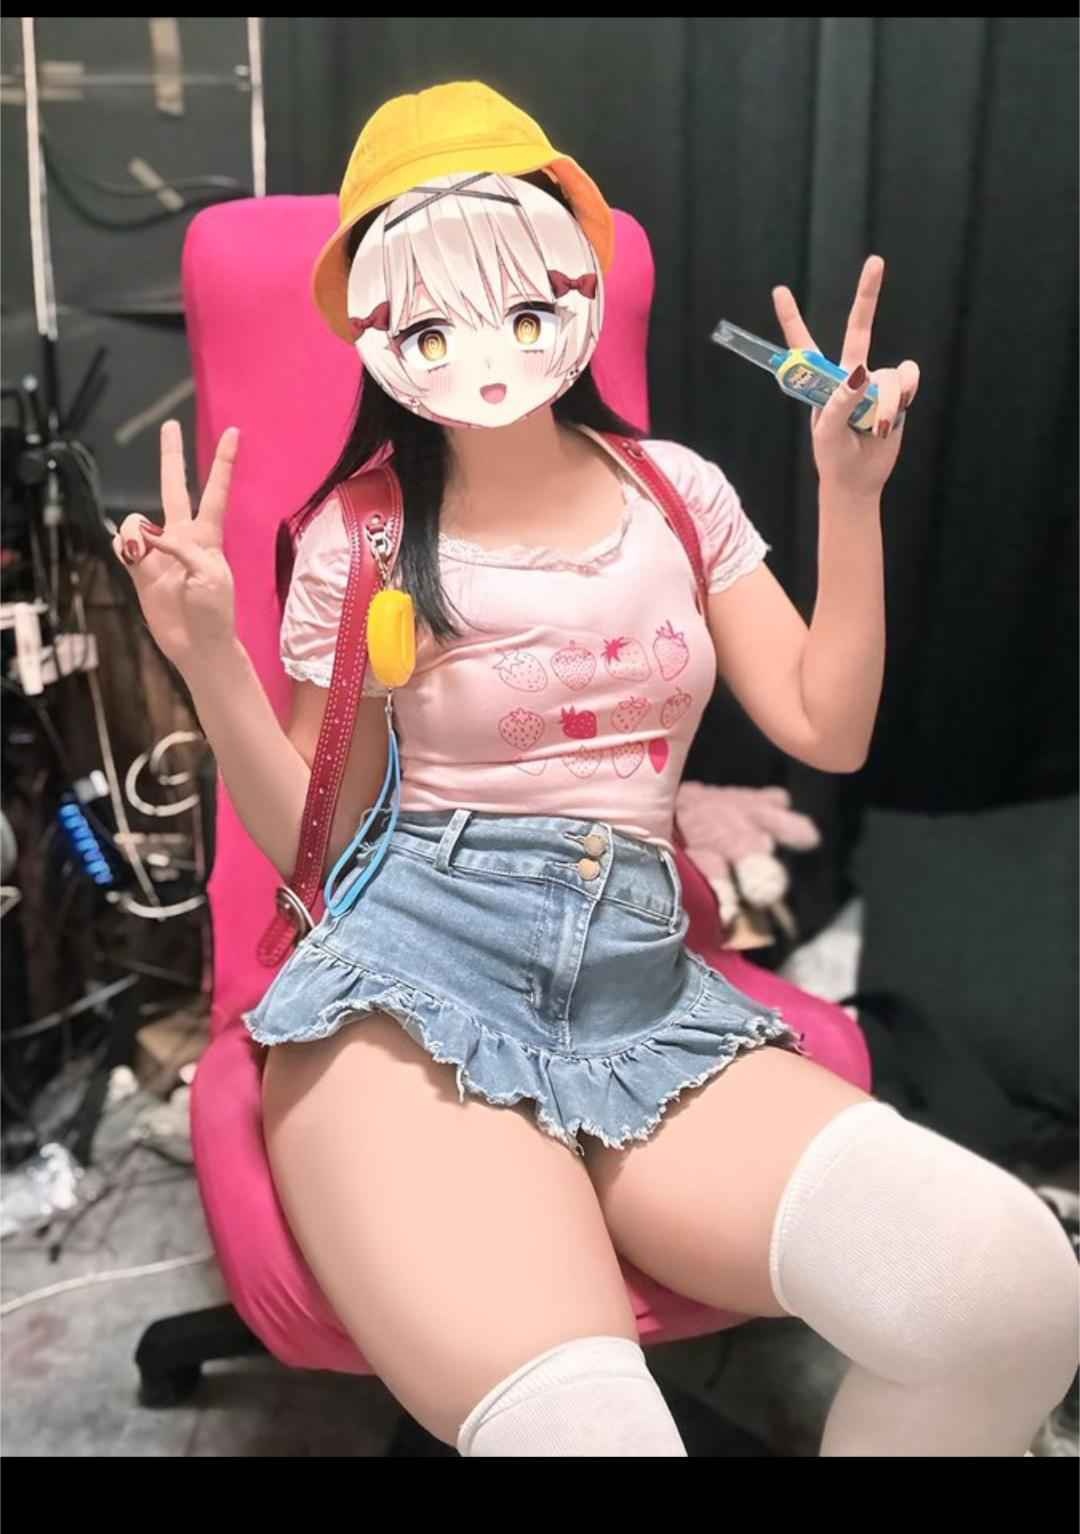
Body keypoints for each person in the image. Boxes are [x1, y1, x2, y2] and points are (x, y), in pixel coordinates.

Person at [114, 82, 1077, 1457]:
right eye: (433, 321)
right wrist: (211, 655)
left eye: (517, 300)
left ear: (575, 279)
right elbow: (321, 847)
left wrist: (851, 497)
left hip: (640, 987)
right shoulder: (363, 535)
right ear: (381, 334)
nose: (483, 348)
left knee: (1011, 1297)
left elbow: (829, 728)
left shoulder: (678, 493)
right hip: (410, 988)